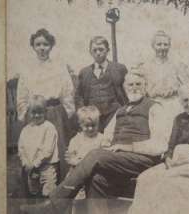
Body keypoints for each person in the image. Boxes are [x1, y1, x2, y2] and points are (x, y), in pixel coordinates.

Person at [20, 69, 169, 214]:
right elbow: (106, 139)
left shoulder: (154, 107)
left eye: (138, 84)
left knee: (96, 155)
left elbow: (160, 145)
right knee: (95, 178)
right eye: (130, 85)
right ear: (124, 88)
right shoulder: (120, 111)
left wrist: (127, 147)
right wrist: (105, 145)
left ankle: (55, 204)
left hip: (142, 160)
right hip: (119, 160)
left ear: (146, 86)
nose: (134, 88)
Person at [128, 82, 189, 214]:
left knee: (169, 181)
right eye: (185, 100)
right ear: (180, 101)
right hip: (176, 162)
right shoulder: (178, 119)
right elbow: (171, 147)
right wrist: (168, 158)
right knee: (145, 178)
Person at [17, 28, 75, 180]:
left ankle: (59, 188)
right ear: (33, 46)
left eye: (45, 44)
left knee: (57, 150)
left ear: (51, 46)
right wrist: (25, 114)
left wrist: (66, 114)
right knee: (34, 150)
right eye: (38, 44)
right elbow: (22, 94)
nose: (42, 48)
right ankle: (33, 189)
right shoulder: (26, 69)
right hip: (35, 113)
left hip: (55, 111)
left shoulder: (60, 67)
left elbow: (68, 92)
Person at [141, 30, 189, 137]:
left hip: (172, 104)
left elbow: (188, 87)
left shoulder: (177, 65)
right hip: (153, 105)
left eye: (165, 44)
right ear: (153, 46)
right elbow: (141, 88)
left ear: (169, 46)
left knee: (173, 133)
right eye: (159, 44)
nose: (162, 47)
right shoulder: (145, 66)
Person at [75, 36, 128, 132]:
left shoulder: (119, 69)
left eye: (101, 49)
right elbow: (79, 96)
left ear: (107, 50)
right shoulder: (84, 72)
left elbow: (127, 92)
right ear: (90, 52)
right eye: (94, 50)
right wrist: (84, 114)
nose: (98, 53)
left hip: (114, 114)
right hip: (93, 118)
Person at [65, 106, 110, 200]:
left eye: (93, 125)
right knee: (75, 199)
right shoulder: (76, 140)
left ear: (98, 124)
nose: (90, 129)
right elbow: (70, 158)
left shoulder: (102, 139)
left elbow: (105, 157)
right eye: (86, 126)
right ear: (80, 125)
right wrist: (75, 162)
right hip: (77, 175)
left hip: (94, 174)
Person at [18, 95, 59, 198]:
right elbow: (21, 148)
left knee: (48, 192)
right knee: (34, 192)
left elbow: (47, 151)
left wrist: (35, 164)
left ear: (45, 112)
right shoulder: (26, 130)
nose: (36, 115)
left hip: (46, 167)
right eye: (33, 112)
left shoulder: (49, 128)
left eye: (40, 112)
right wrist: (25, 162)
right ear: (28, 112)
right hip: (30, 168)